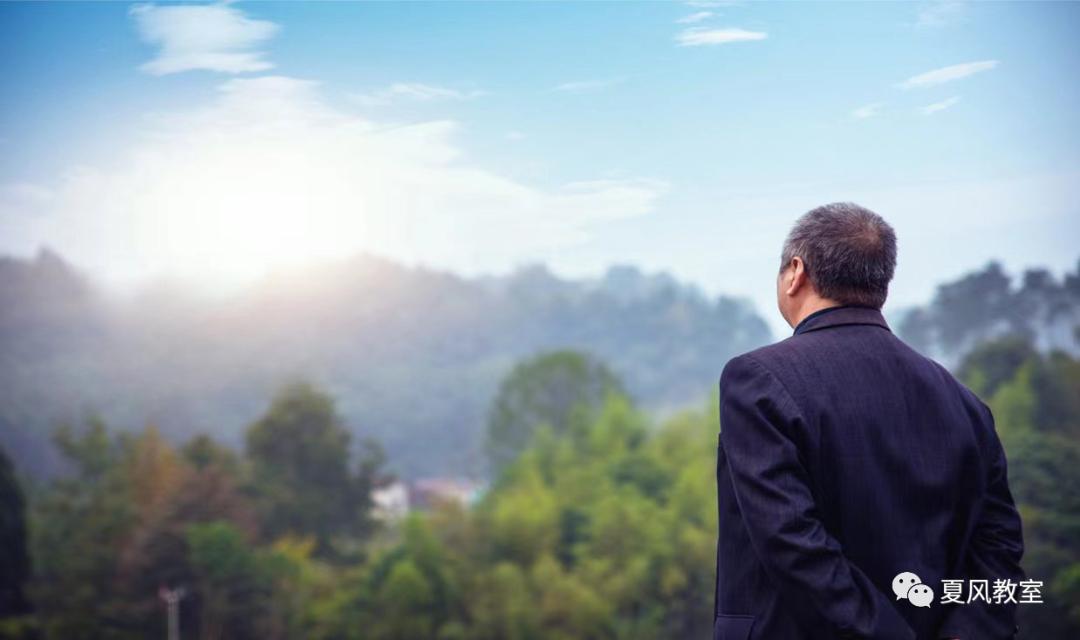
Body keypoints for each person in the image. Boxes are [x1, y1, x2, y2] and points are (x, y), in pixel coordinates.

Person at [713, 203, 1024, 640]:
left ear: (795, 272)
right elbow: (999, 544)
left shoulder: (759, 380)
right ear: (880, 284)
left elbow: (791, 540)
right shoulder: (964, 402)